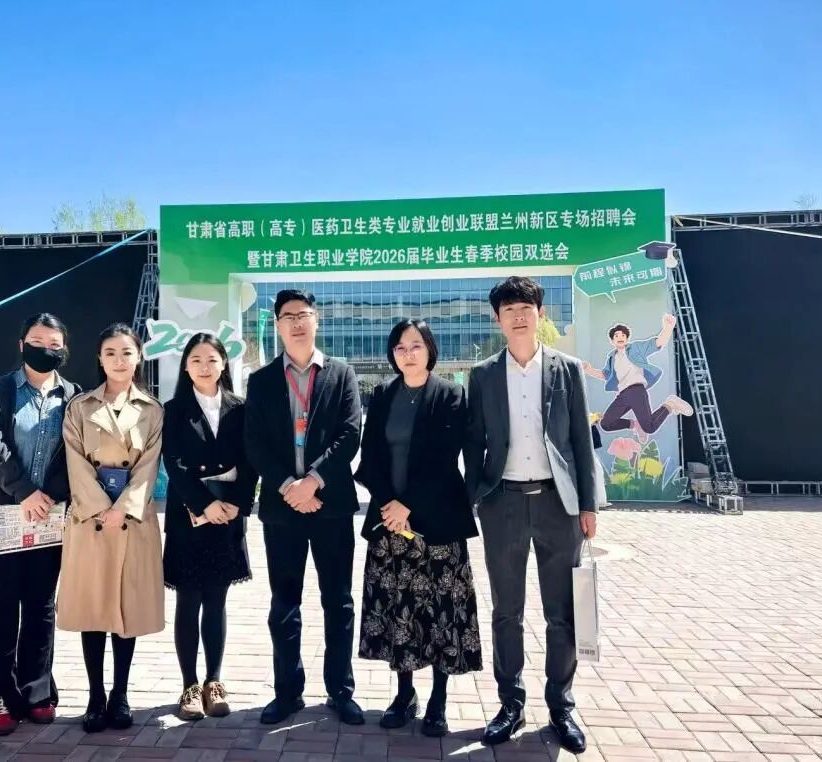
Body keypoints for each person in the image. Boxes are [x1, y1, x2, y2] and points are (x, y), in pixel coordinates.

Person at [464, 276, 601, 754]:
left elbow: (581, 442)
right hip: (502, 504)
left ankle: (561, 705)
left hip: (557, 505)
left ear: (539, 314)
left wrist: (588, 505)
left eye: (526, 308)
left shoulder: (566, 370)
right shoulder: (482, 375)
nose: (519, 316)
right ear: (498, 319)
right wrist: (477, 497)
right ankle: (511, 703)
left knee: (561, 613)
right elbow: (473, 443)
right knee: (507, 611)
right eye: (509, 309)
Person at [355, 319, 482, 738]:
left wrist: (407, 504)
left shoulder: (450, 395)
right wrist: (389, 505)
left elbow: (444, 459)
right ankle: (404, 694)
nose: (407, 354)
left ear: (430, 350)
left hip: (438, 522)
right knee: (400, 609)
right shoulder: (383, 395)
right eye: (400, 347)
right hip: (390, 523)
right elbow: (370, 455)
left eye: (415, 346)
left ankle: (438, 700)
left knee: (441, 610)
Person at [244, 289, 364, 726]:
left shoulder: (341, 374)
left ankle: (341, 691)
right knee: (284, 603)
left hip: (331, 506)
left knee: (339, 601)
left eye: (304, 314)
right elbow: (254, 442)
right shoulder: (261, 381)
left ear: (317, 320)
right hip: (282, 509)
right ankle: (287, 692)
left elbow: (350, 434)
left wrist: (313, 480)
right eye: (288, 316)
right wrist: (287, 486)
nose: (297, 322)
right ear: (277, 325)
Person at [0, 313, 79, 736]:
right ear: (21, 345)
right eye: (36, 341)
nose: (45, 349)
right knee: (0, 608)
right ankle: (1, 696)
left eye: (54, 344)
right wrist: (25, 491)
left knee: (40, 606)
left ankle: (37, 692)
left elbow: (77, 453)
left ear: (64, 349)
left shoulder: (74, 397)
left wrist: (49, 496)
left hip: (49, 518)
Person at [58, 322, 164, 733]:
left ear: (139, 358)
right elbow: (75, 461)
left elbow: (148, 465)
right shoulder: (80, 407)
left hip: (133, 522)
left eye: (126, 352)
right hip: (91, 521)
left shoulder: (153, 410)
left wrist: (124, 508)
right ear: (100, 359)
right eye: (110, 353)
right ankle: (95, 696)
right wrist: (102, 508)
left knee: (126, 610)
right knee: (94, 609)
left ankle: (120, 694)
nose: (119, 360)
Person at [162, 333, 258, 721]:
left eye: (212, 359)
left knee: (217, 601)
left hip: (229, 517)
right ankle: (189, 685)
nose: (205, 366)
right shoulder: (174, 409)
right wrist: (205, 503)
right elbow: (174, 463)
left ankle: (214, 682)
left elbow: (251, 460)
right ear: (186, 367)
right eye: (196, 360)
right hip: (189, 517)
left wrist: (236, 503)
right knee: (188, 600)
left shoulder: (241, 408)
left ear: (223, 364)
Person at [582, 316, 693, 442]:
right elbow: (605, 375)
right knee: (606, 424)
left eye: (623, 335)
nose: (620, 337)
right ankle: (636, 425)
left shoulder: (635, 348)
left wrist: (668, 328)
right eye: (616, 336)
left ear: (627, 338)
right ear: (612, 340)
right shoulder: (611, 359)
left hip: (636, 391)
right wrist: (588, 370)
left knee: (650, 427)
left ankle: (669, 405)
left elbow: (657, 343)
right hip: (622, 395)